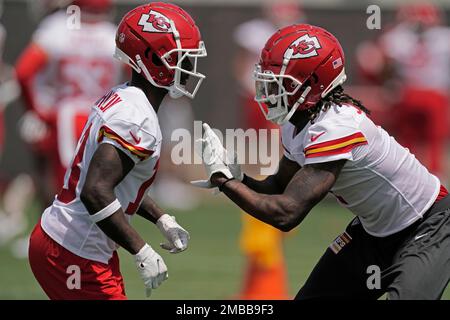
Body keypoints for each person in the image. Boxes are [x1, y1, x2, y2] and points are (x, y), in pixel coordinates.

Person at [193, 24, 450, 299]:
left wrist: (225, 182)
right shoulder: (297, 124)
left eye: (281, 81)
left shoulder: (337, 126)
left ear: (312, 85)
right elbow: (280, 188)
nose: (269, 89)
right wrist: (238, 177)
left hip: (429, 226)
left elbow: (286, 213)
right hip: (373, 233)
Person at [28, 2, 207, 300]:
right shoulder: (136, 117)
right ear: (152, 60)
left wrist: (162, 219)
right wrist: (141, 249)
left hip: (70, 241)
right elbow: (95, 191)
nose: (188, 68)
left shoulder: (126, 96)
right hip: (73, 252)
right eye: (181, 58)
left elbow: (120, 183)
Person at [16, 0, 122, 207]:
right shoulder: (114, 35)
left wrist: (36, 111)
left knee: (59, 187)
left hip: (64, 118)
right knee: (103, 189)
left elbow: (23, 72)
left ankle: (54, 235)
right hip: (105, 117)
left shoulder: (57, 29)